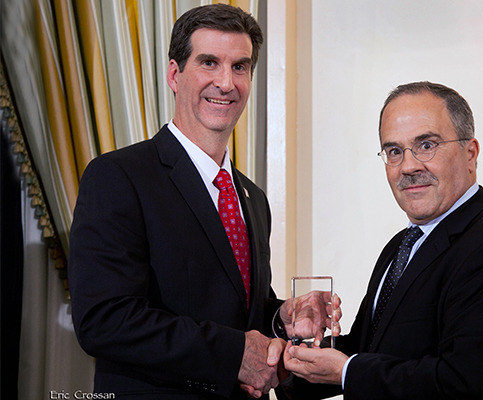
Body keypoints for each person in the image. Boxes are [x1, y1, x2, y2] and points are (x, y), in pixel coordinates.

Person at [68, 4, 336, 399]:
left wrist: (282, 319)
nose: (226, 83)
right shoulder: (118, 177)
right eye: (209, 63)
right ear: (174, 74)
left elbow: (235, 313)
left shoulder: (253, 199)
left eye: (240, 67)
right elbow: (104, 320)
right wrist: (234, 355)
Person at [281, 81, 483, 399]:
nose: (408, 166)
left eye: (426, 145)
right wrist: (290, 358)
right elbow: (371, 351)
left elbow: (464, 386)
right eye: (394, 151)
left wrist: (347, 372)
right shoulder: (402, 246)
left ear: (470, 154)